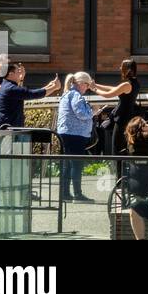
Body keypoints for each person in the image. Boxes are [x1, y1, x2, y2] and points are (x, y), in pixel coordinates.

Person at [55, 72, 96, 202]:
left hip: (66, 133)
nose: (87, 87)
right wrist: (93, 111)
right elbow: (81, 113)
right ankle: (78, 195)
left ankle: (65, 194)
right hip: (75, 134)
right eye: (87, 84)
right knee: (76, 165)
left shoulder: (67, 94)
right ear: (80, 83)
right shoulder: (76, 95)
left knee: (67, 165)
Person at [92, 59, 140, 157]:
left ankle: (119, 171)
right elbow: (113, 89)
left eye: (121, 67)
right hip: (128, 117)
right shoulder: (135, 83)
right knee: (123, 146)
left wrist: (94, 89)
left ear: (127, 70)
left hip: (122, 119)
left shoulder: (127, 85)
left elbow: (108, 94)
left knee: (117, 148)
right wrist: (96, 85)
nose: (119, 69)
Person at [0, 63, 60, 128]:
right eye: (18, 72)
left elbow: (23, 93)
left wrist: (49, 86)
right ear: (11, 74)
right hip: (6, 130)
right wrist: (54, 88)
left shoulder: (6, 85)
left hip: (7, 128)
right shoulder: (10, 88)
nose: (20, 73)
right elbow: (32, 94)